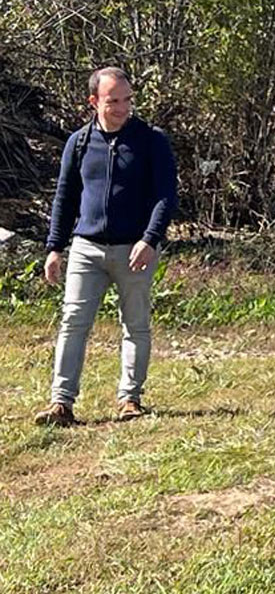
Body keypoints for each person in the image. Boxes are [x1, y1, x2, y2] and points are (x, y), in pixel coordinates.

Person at [36, 67, 178, 426]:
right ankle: (61, 403)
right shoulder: (79, 143)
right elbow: (65, 198)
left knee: (136, 325)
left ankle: (130, 399)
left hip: (134, 249)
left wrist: (150, 239)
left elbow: (166, 196)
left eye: (127, 99)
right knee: (73, 322)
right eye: (113, 101)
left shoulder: (151, 140)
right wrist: (55, 248)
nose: (122, 108)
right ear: (94, 101)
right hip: (86, 248)